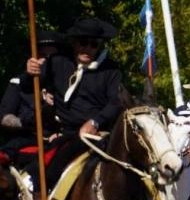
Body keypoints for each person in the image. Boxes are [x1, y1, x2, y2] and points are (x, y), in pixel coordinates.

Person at [21, 17, 124, 189]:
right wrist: (30, 72)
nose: (88, 49)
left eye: (93, 44)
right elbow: (27, 87)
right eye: (83, 43)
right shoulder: (57, 62)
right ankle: (40, 197)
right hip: (65, 134)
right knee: (42, 169)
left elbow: (115, 102)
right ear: (74, 43)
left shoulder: (110, 69)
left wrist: (95, 121)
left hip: (98, 135)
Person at [1, 29, 62, 163]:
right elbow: (5, 117)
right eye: (42, 56)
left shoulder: (65, 86)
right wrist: (27, 123)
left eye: (52, 57)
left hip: (58, 142)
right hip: (26, 141)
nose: (46, 61)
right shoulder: (17, 83)